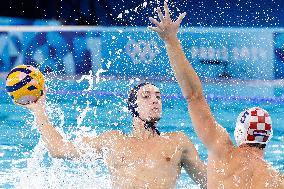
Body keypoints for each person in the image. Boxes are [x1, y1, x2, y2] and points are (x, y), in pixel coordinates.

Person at [149, 1, 284, 188]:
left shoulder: (222, 151)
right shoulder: (277, 180)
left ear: (239, 132)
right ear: (267, 138)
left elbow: (194, 96)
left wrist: (171, 41)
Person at [16, 82, 207, 188]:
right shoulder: (114, 140)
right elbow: (58, 150)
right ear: (133, 106)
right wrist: (39, 110)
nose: (155, 101)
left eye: (158, 96)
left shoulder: (177, 142)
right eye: (146, 96)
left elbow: (210, 182)